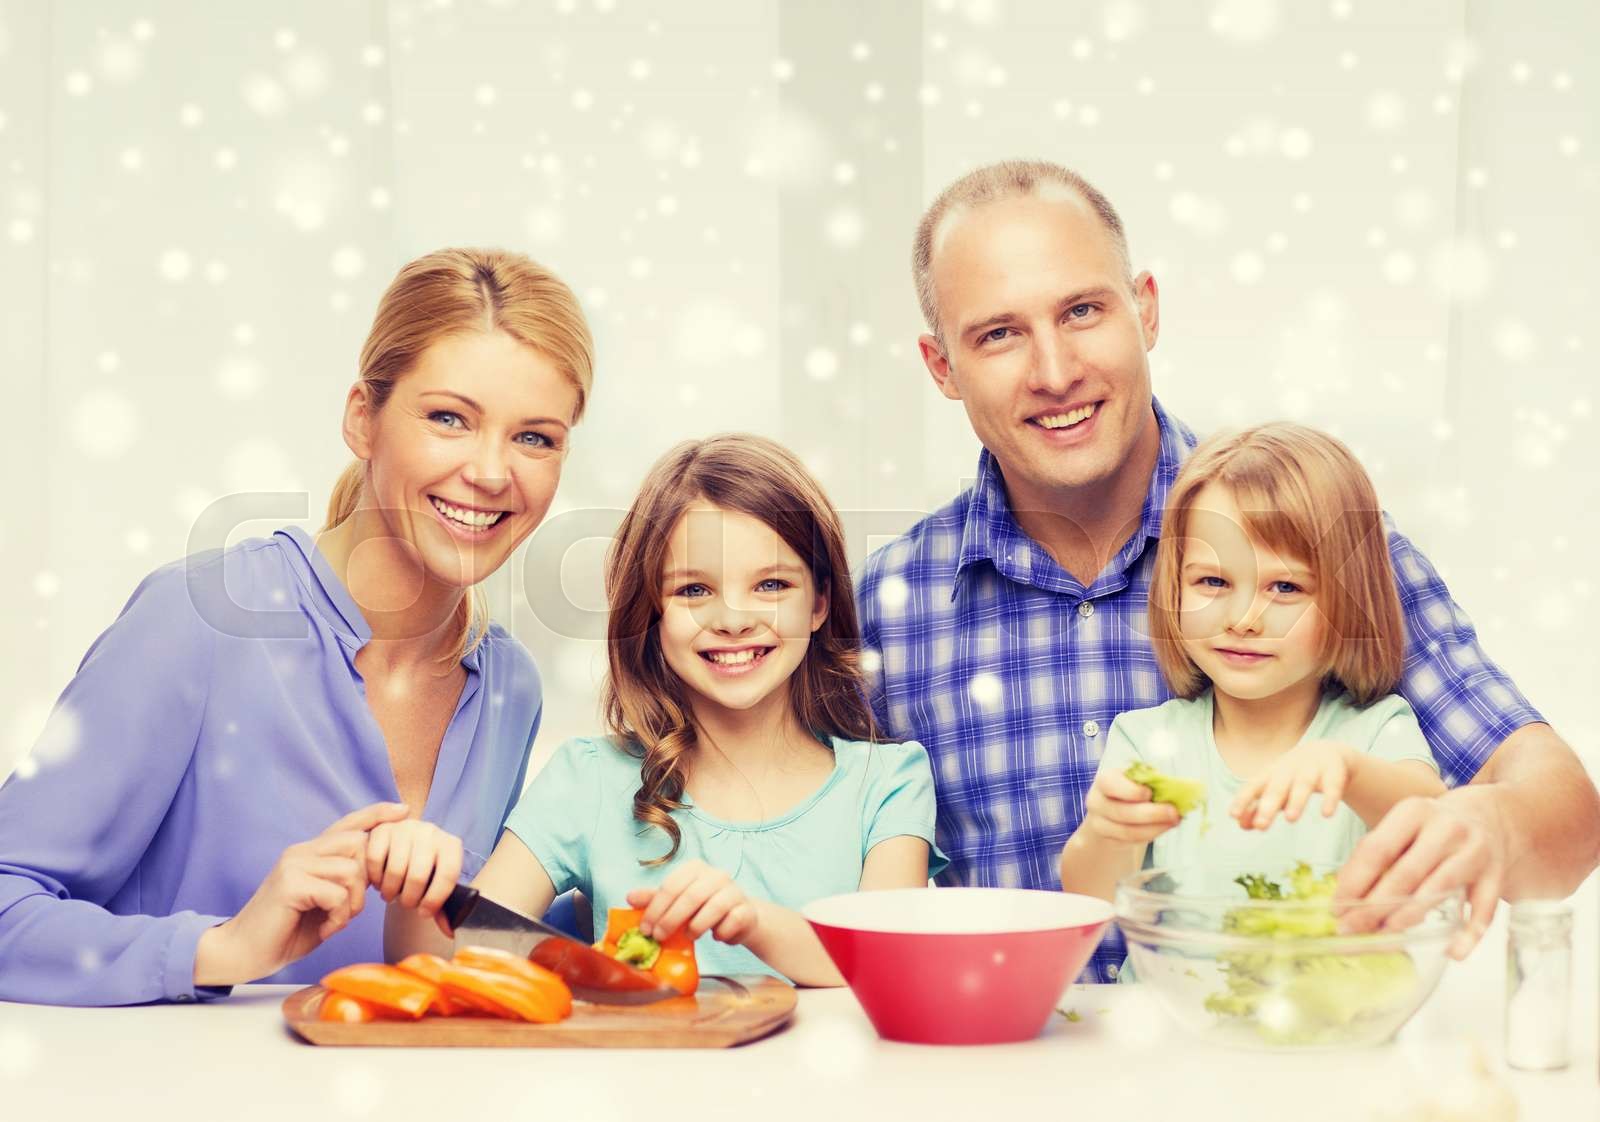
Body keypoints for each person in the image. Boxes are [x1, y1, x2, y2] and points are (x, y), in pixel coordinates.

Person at [857, 159, 1599, 981]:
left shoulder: (1320, 538)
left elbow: (1564, 816)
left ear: (1145, 308)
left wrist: (1493, 825)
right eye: (999, 334)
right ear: (939, 367)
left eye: (1083, 311)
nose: (1055, 370)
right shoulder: (888, 606)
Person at [0, 247, 594, 1004]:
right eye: (449, 418)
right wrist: (222, 948)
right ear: (362, 419)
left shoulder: (508, 686)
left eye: (535, 437)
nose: (489, 471)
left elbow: (461, 951)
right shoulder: (204, 618)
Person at [383, 435, 945, 984]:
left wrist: (749, 923)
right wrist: (415, 889)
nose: (733, 619)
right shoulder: (589, 781)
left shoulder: (888, 783)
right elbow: (453, 965)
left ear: (819, 604)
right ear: (651, 612)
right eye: (693, 591)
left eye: (771, 584)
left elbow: (885, 961)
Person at [1059, 424, 1445, 905]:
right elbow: (1090, 896)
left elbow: (1433, 822)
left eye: (1285, 588)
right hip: (1170, 983)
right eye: (1214, 582)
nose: (1243, 620)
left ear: (1350, 599)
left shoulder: (1374, 732)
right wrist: (1105, 832)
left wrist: (1350, 772)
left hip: (1326, 983)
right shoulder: (1148, 742)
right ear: (1174, 587)